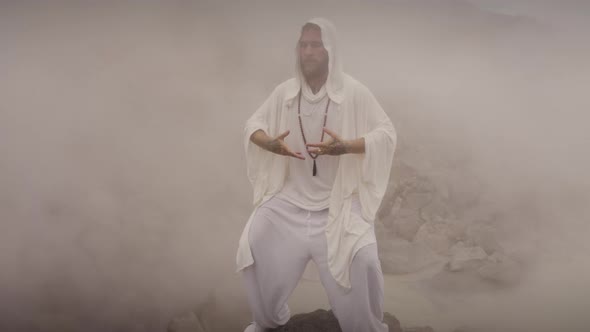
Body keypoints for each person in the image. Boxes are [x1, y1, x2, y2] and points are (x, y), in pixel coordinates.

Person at [236, 17, 397, 332]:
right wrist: (267, 143)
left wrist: (347, 146)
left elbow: (387, 133)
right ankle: (268, 320)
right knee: (253, 241)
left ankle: (363, 325)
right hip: (290, 202)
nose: (308, 52)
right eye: (303, 45)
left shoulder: (354, 92)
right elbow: (252, 125)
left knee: (362, 259)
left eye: (316, 45)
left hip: (337, 204)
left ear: (331, 51)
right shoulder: (285, 92)